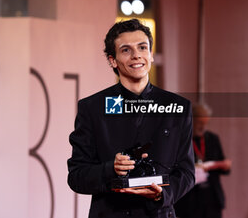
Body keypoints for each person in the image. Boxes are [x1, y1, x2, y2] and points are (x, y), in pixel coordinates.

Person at [67, 19, 195, 218]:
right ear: (112, 60)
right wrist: (111, 169)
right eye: (126, 50)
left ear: (151, 55)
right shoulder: (92, 108)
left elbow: (187, 173)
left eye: (142, 47)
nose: (137, 55)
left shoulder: (178, 107)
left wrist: (163, 195)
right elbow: (77, 177)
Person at [175, 103, 231, 218]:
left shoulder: (212, 138)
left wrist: (225, 166)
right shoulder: (181, 139)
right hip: (189, 200)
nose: (203, 127)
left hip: (212, 198)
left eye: (206, 123)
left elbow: (223, 165)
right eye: (200, 123)